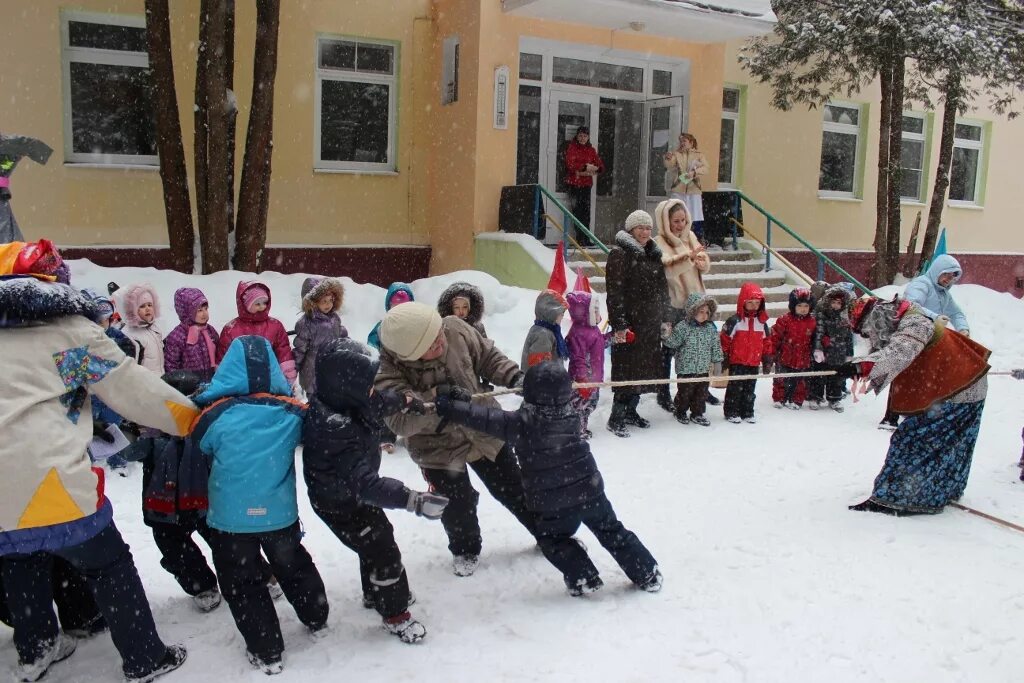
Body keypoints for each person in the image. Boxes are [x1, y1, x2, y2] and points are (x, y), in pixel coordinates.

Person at [0, 240, 197, 682]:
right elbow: (133, 390)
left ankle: (37, 649)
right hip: (49, 480)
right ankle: (145, 657)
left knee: (18, 559)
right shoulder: (68, 335)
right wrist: (193, 420)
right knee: (108, 563)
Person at [435, 362, 663, 596]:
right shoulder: (572, 414)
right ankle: (646, 572)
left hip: (553, 504)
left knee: (553, 540)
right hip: (590, 491)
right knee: (612, 530)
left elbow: (484, 418)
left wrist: (453, 408)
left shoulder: (521, 424)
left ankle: (583, 576)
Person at [191, 336, 328, 675]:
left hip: (230, 521)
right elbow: (314, 425)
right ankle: (315, 614)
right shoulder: (291, 412)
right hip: (279, 516)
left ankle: (266, 649)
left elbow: (200, 443)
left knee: (242, 583)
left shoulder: (214, 415)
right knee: (293, 565)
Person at [374, 302, 537, 577]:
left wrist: (515, 378)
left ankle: (548, 533)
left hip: (484, 429)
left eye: (438, 334)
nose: (440, 341)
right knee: (457, 504)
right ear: (409, 354)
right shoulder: (388, 374)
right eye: (430, 344)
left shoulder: (453, 328)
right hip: (436, 448)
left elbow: (487, 357)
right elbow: (400, 420)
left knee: (514, 487)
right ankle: (465, 548)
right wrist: (437, 399)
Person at [302, 338, 448, 644]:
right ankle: (394, 613)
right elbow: (367, 485)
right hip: (339, 503)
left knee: (373, 538)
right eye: (366, 384)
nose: (372, 389)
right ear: (346, 386)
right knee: (382, 548)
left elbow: (379, 401)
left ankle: (375, 592)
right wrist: (413, 500)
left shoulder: (344, 397)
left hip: (350, 493)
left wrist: (408, 402)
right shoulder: (334, 428)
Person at [842, 295, 989, 516]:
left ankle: (898, 498)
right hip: (962, 385)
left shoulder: (915, 323)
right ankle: (938, 490)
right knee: (949, 444)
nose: (868, 336)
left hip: (957, 389)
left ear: (876, 319)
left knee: (913, 440)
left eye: (866, 330)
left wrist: (860, 367)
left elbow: (900, 352)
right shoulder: (905, 319)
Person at [127, 371, 222, 614]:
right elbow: (126, 452)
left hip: (204, 500)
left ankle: (253, 574)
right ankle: (201, 584)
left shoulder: (207, 427)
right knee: (174, 548)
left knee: (226, 540)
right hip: (164, 505)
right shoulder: (151, 433)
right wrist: (128, 432)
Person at [879, 255, 972, 430]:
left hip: (929, 338)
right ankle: (890, 417)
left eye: (952, 277)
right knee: (903, 373)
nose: (948, 279)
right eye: (946, 274)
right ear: (938, 270)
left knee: (922, 374)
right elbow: (911, 305)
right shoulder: (922, 284)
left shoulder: (943, 293)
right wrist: (935, 317)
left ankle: (913, 410)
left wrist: (963, 328)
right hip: (910, 335)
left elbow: (957, 313)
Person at [605, 210, 672, 438]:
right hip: (630, 324)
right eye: (640, 227)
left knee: (644, 371)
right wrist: (620, 324)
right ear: (631, 229)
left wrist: (665, 317)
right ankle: (616, 417)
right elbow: (615, 292)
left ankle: (631, 411)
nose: (645, 232)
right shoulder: (619, 254)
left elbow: (663, 289)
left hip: (650, 324)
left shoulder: (654, 255)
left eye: (648, 228)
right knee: (626, 370)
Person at [654, 197, 711, 412]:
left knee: (696, 350)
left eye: (683, 220)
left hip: (696, 304)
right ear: (665, 221)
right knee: (668, 350)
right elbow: (667, 269)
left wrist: (701, 261)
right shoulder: (659, 242)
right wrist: (688, 257)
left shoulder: (691, 236)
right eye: (675, 221)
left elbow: (703, 260)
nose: (680, 225)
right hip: (674, 305)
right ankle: (663, 392)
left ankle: (697, 390)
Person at [217, 281, 297, 388]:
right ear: (245, 305)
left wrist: (288, 376)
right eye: (257, 304)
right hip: (240, 382)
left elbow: (283, 351)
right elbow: (224, 357)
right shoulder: (231, 329)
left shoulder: (275, 326)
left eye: (265, 303)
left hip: (271, 380)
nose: (262, 307)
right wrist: (223, 379)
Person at [661, 293, 723, 426]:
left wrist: (717, 361)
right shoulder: (683, 327)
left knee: (701, 393)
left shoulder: (710, 329)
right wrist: (666, 336)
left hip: (703, 369)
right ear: (692, 311)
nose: (704, 315)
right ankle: (680, 411)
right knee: (685, 392)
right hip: (686, 368)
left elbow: (715, 346)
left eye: (707, 312)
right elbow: (673, 342)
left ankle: (697, 413)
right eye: (701, 311)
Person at [720, 282, 773, 424]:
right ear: (743, 302)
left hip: (753, 362)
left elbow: (767, 341)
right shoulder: (735, 321)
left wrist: (767, 358)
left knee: (750, 388)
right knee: (735, 388)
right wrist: (724, 356)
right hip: (737, 361)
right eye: (750, 302)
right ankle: (731, 411)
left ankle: (747, 411)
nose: (754, 306)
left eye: (757, 303)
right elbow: (725, 339)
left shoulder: (762, 323)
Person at [293, 276, 348, 400]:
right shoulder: (306, 323)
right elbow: (300, 349)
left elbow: (342, 335)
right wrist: (293, 370)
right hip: (312, 371)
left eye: (330, 300)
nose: (328, 304)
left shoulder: (334, 318)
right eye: (324, 301)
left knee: (331, 400)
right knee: (315, 403)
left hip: (332, 368)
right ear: (312, 302)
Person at [566, 290, 607, 439]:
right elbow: (578, 359)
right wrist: (582, 381)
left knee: (589, 405)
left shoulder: (593, 330)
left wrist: (616, 337)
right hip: (583, 380)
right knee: (579, 406)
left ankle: (582, 428)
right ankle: (576, 431)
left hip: (593, 378)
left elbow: (600, 343)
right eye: (594, 310)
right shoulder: (578, 333)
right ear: (584, 313)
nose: (598, 314)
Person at [0, 132, 53, 242]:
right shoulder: (10, 144)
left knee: (6, 237)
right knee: (6, 237)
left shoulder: (8, 144)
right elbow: (33, 146)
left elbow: (32, 146)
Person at [809, 284, 854, 411]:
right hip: (824, 353)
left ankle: (834, 398)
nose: (835, 305)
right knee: (819, 376)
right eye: (833, 302)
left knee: (836, 378)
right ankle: (816, 397)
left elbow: (849, 338)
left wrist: (849, 354)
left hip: (839, 353)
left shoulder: (844, 320)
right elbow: (818, 334)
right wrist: (818, 349)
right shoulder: (822, 316)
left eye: (839, 303)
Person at [771, 288, 817, 410]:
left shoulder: (812, 322)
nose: (803, 309)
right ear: (793, 306)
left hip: (803, 355)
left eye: (806, 306)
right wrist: (773, 352)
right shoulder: (784, 320)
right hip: (785, 355)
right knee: (781, 378)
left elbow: (815, 339)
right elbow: (776, 337)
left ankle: (796, 399)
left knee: (800, 380)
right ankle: (780, 398)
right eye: (800, 305)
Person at [163, 287, 219, 383]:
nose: (204, 313)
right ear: (186, 312)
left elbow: (219, 353)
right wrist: (180, 383)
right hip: (189, 386)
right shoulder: (177, 337)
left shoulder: (210, 330)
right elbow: (171, 365)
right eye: (199, 310)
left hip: (211, 382)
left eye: (206, 309)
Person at [563, 126, 604, 247]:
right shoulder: (572, 147)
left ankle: (586, 238)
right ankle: (580, 239)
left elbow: (600, 165)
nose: (582, 138)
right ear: (577, 136)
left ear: (588, 137)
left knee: (586, 212)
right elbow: (570, 164)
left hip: (586, 185)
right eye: (580, 136)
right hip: (574, 184)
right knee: (577, 212)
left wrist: (597, 168)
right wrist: (585, 167)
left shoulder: (591, 150)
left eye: (585, 136)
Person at [663, 133, 708, 236]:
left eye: (684, 141)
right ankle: (675, 236)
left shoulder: (699, 155)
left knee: (695, 215)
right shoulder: (677, 154)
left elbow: (706, 169)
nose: (682, 143)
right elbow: (669, 166)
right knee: (676, 213)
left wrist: (694, 173)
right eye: (681, 141)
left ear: (691, 143)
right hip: (679, 189)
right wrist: (668, 158)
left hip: (694, 190)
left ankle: (696, 238)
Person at [121, 283, 165, 375]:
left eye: (150, 305)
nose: (147, 309)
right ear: (133, 309)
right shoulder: (131, 335)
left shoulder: (154, 328)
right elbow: (131, 369)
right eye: (142, 306)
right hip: (145, 384)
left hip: (160, 380)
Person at [521, 289, 569, 369]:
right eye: (561, 314)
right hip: (543, 380)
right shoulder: (543, 335)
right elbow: (539, 369)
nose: (562, 317)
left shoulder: (549, 331)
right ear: (551, 313)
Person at [366, 282, 414, 350]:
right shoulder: (383, 326)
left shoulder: (414, 325)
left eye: (404, 308)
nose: (399, 312)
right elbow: (372, 344)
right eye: (395, 308)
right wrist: (375, 350)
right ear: (389, 307)